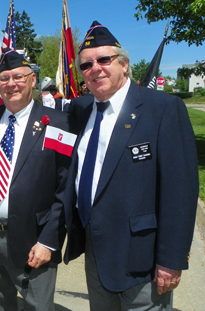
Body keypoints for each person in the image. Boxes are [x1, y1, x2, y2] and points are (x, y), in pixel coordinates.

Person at [63, 21, 198, 310]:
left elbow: (180, 191)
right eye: (86, 65)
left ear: (124, 64)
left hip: (143, 260)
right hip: (95, 252)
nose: (95, 69)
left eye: (104, 60)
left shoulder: (163, 109)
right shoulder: (82, 110)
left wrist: (171, 259)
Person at [0, 48, 74, 310]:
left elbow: (65, 189)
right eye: (4, 78)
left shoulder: (58, 123)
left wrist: (49, 240)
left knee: (37, 305)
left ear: (33, 80)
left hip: (33, 237)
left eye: (18, 76)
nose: (11, 84)